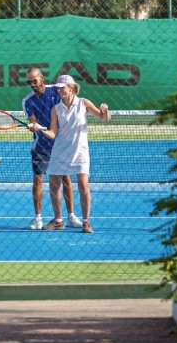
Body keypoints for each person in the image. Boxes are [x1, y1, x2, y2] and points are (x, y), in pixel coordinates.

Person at [32, 73, 111, 234]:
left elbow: (104, 118)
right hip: (60, 152)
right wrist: (39, 128)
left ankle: (86, 222)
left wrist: (105, 110)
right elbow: (53, 133)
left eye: (62, 88)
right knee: (54, 185)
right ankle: (58, 220)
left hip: (80, 152)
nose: (59, 91)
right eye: (58, 89)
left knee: (83, 186)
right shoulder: (56, 109)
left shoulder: (83, 103)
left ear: (72, 88)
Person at [22, 67, 83, 230]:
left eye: (34, 80)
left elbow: (70, 103)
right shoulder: (28, 101)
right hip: (41, 147)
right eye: (29, 82)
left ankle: (70, 216)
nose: (32, 84)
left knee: (66, 180)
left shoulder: (55, 91)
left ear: (42, 78)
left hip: (60, 146)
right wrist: (34, 126)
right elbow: (33, 119)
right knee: (38, 181)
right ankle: (38, 218)